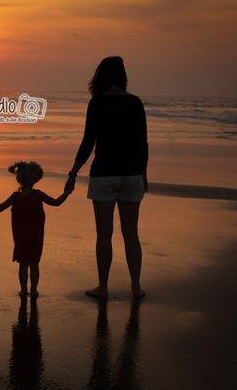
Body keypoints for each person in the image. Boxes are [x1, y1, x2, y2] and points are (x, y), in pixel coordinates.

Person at [65, 56, 148, 300]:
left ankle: (103, 287)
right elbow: (142, 143)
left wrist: (73, 172)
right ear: (122, 76)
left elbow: (88, 142)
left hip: (104, 175)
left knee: (104, 234)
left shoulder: (97, 103)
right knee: (131, 233)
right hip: (132, 174)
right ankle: (135, 287)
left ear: (100, 76)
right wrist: (144, 174)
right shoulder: (135, 103)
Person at [0, 161, 72, 298]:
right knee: (34, 264)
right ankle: (33, 290)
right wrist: (67, 193)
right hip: (36, 237)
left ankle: (23, 290)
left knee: (23, 265)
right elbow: (56, 202)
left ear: (19, 179)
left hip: (20, 238)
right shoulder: (38, 195)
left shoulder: (15, 197)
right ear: (35, 180)